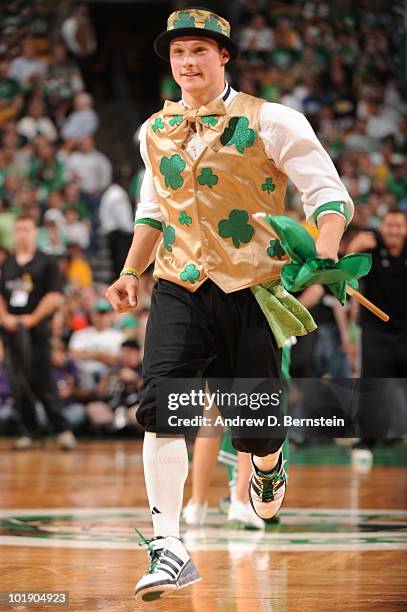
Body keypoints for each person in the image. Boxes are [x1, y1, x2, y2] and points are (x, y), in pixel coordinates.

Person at [106, 8, 353, 602]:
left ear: (224, 57)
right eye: (178, 54)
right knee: (161, 401)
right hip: (178, 284)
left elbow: (328, 193)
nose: (187, 63)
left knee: (256, 430)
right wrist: (130, 271)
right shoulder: (153, 130)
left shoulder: (273, 121)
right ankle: (168, 545)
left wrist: (323, 251)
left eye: (199, 52)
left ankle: (267, 466)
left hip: (249, 287)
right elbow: (155, 208)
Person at [0, 214, 76, 450]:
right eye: (19, 229)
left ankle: (61, 430)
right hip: (12, 330)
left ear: (35, 232)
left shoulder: (47, 262)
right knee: (17, 382)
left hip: (38, 331)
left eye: (26, 229)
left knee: (42, 380)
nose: (22, 233)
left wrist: (32, 319)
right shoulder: (8, 263)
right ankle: (30, 432)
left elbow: (54, 297)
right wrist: (6, 318)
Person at [346, 208, 407, 464]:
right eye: (389, 225)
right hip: (375, 331)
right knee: (372, 386)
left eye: (398, 226)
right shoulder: (370, 244)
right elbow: (343, 270)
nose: (393, 230)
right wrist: (353, 247)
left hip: (405, 331)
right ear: (381, 227)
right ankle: (365, 441)